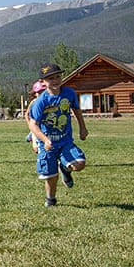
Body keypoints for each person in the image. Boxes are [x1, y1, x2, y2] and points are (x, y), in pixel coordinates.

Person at [26, 62, 88, 208]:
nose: (55, 81)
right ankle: (51, 199)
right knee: (50, 175)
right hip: (48, 144)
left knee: (80, 163)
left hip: (65, 141)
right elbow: (33, 124)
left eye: (58, 77)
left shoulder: (69, 94)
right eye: (51, 78)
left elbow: (76, 110)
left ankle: (65, 169)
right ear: (43, 82)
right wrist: (44, 140)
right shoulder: (41, 101)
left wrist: (83, 128)